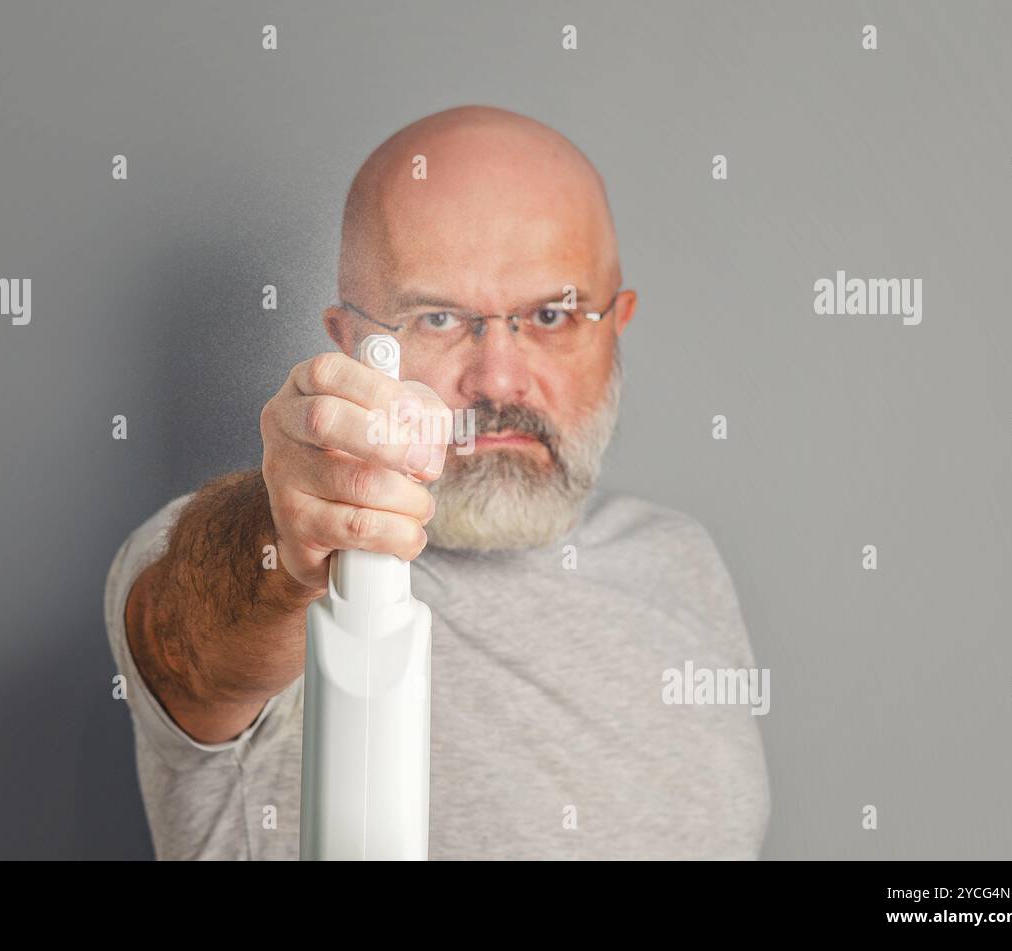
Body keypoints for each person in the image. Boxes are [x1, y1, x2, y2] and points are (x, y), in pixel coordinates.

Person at [104, 105, 770, 859]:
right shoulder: (259, 561)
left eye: (551, 313)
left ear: (616, 325)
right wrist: (291, 535)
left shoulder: (678, 559)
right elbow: (193, 640)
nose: (498, 378)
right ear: (352, 343)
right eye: (438, 318)